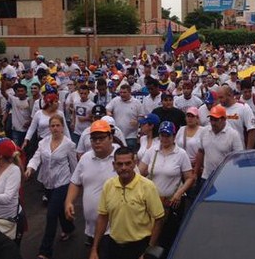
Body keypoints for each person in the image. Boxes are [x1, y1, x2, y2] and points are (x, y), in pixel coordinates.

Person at [89, 147, 165, 259]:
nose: (124, 168)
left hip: (139, 247)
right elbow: (103, 217)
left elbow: (159, 218)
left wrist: (149, 249)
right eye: (119, 164)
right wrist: (94, 249)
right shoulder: (108, 185)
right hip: (114, 246)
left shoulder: (147, 186)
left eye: (127, 163)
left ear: (134, 163)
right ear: (114, 165)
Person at [26, 114, 77, 259]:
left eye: (57, 125)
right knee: (60, 210)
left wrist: (75, 185)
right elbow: (36, 157)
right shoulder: (43, 143)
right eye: (52, 126)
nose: (55, 128)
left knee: (51, 215)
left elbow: (74, 166)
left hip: (63, 182)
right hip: (47, 182)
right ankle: (69, 228)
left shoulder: (69, 145)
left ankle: (45, 251)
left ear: (62, 127)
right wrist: (30, 168)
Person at [139, 121, 194, 254]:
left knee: (167, 238)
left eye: (168, 135)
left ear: (174, 136)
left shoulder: (181, 154)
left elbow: (190, 178)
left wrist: (179, 193)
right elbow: (140, 172)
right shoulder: (153, 151)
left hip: (171, 203)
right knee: (148, 235)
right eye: (162, 135)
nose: (165, 138)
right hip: (152, 201)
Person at [65, 120, 118, 247]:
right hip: (91, 228)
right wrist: (68, 202)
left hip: (116, 228)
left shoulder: (122, 157)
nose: (97, 142)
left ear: (111, 137)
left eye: (101, 138)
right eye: (94, 139)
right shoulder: (85, 159)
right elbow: (75, 182)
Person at [193, 105, 243, 190]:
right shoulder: (204, 131)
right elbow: (201, 152)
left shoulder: (233, 135)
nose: (213, 123)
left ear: (224, 119)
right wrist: (195, 173)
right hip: (206, 177)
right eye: (211, 119)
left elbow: (239, 158)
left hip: (225, 179)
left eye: (216, 120)